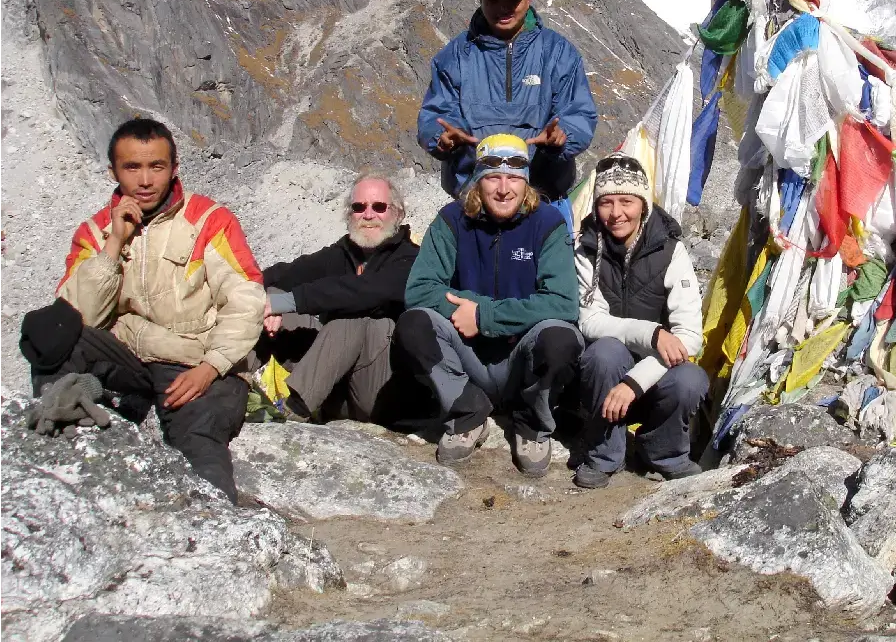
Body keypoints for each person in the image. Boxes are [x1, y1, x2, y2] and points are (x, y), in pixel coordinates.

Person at [19, 119, 264, 501]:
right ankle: (60, 424)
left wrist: (212, 366)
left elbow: (246, 297)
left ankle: (215, 526)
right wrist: (114, 243)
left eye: (157, 166)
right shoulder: (95, 230)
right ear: (113, 171)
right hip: (130, 355)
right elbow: (77, 318)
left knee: (198, 438)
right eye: (132, 167)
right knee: (48, 328)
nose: (145, 180)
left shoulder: (209, 220)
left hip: (192, 360)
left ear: (174, 168)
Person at [394, 134, 583, 477]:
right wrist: (469, 312)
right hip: (468, 356)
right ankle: (467, 410)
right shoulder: (452, 221)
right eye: (493, 177)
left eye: (514, 178)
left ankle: (532, 422)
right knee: (414, 323)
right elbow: (420, 289)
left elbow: (563, 302)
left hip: (520, 356)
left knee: (561, 338)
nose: (503, 188)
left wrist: (484, 315)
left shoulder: (547, 225)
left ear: (526, 184)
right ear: (477, 182)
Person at [417, 0, 598, 228]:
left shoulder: (558, 52)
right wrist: (441, 138)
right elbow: (435, 115)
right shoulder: (454, 56)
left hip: (544, 201)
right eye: (493, 0)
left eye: (511, 0)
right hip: (473, 202)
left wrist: (563, 138)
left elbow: (580, 113)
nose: (502, 8)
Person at [571, 153, 708, 489]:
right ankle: (604, 454)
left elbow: (689, 336)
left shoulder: (670, 251)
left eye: (626, 202)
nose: (616, 213)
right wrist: (652, 333)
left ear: (643, 204)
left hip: (654, 376)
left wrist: (634, 383)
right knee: (604, 353)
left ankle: (665, 454)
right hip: (606, 375)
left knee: (689, 379)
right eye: (606, 203)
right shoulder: (586, 249)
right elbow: (591, 321)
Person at [254, 171, 420, 424]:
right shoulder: (343, 253)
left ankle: (293, 411)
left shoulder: (411, 258)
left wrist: (285, 303)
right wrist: (253, 293)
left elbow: (365, 291)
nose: (368, 215)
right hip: (336, 388)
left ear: (396, 213)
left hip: (380, 394)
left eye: (379, 206)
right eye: (358, 207)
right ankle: (231, 382)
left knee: (352, 317)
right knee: (268, 298)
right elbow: (288, 274)